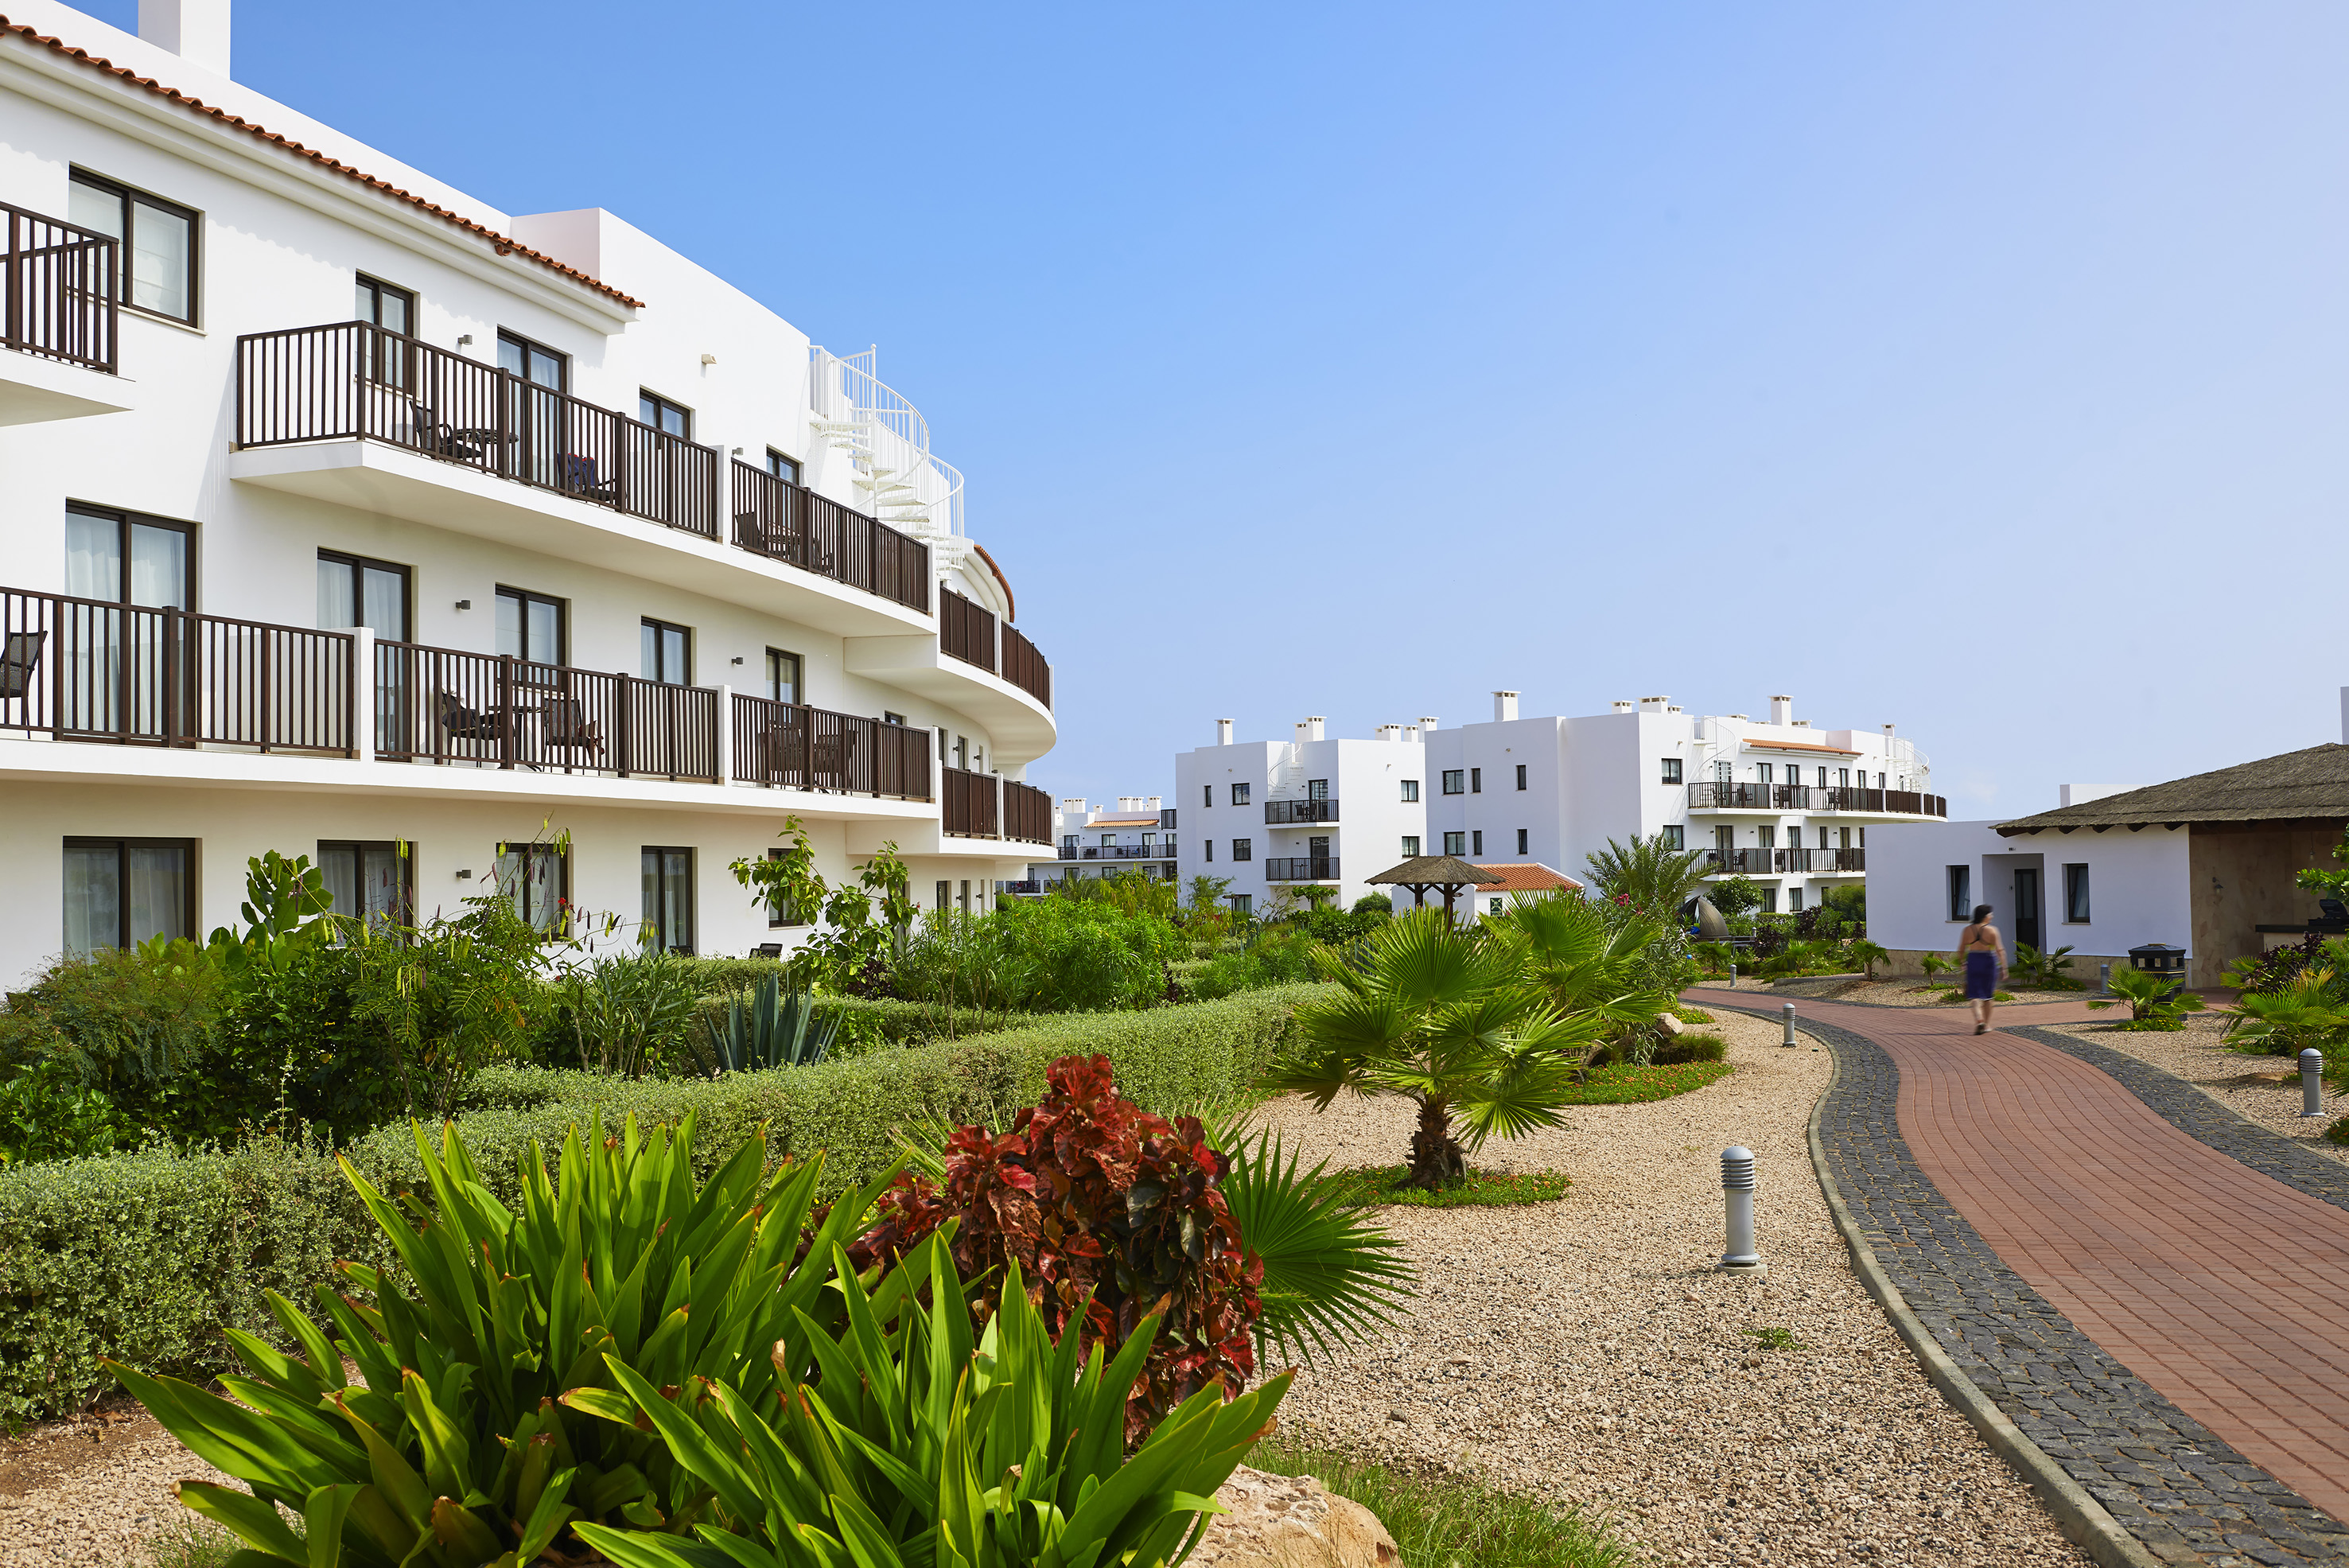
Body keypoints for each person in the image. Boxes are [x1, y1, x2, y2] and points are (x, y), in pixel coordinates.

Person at [1954, 903, 2005, 1035]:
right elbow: (2000, 950)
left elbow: (1961, 949)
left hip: (1973, 961)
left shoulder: (1967, 930)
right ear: (1985, 916)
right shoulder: (1992, 930)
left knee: (1974, 994)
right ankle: (1987, 1025)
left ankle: (1979, 1019)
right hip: (1988, 961)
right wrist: (2004, 968)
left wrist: (1962, 962)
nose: (1992, 916)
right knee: (1988, 995)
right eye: (1990, 914)